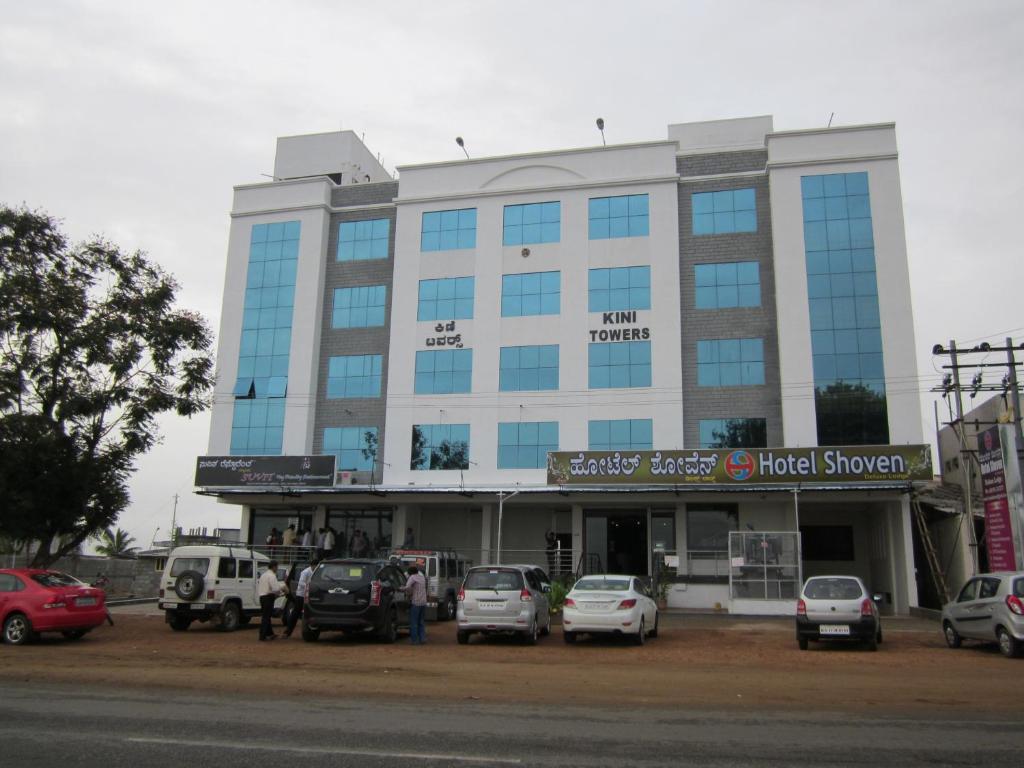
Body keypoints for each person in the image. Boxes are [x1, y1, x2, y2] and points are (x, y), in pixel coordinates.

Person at [284, 558, 317, 638]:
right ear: (312, 565)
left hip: (309, 595)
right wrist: (310, 587)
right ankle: (288, 631)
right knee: (296, 612)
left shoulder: (315, 572)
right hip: (301, 595)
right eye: (315, 566)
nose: (316, 568)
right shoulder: (305, 572)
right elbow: (301, 583)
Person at [257, 560, 287, 641]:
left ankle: (270, 633)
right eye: (277, 567)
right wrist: (283, 588)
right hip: (268, 597)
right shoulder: (272, 576)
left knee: (266, 615)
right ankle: (262, 635)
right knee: (266, 617)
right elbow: (275, 588)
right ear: (274, 567)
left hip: (262, 597)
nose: (277, 568)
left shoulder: (264, 575)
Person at [401, 564, 428, 645]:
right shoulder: (422, 577)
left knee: (414, 623)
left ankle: (415, 640)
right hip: (423, 602)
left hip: (416, 602)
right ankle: (422, 639)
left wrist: (399, 588)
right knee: (421, 622)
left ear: (411, 573)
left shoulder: (412, 577)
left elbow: (407, 587)